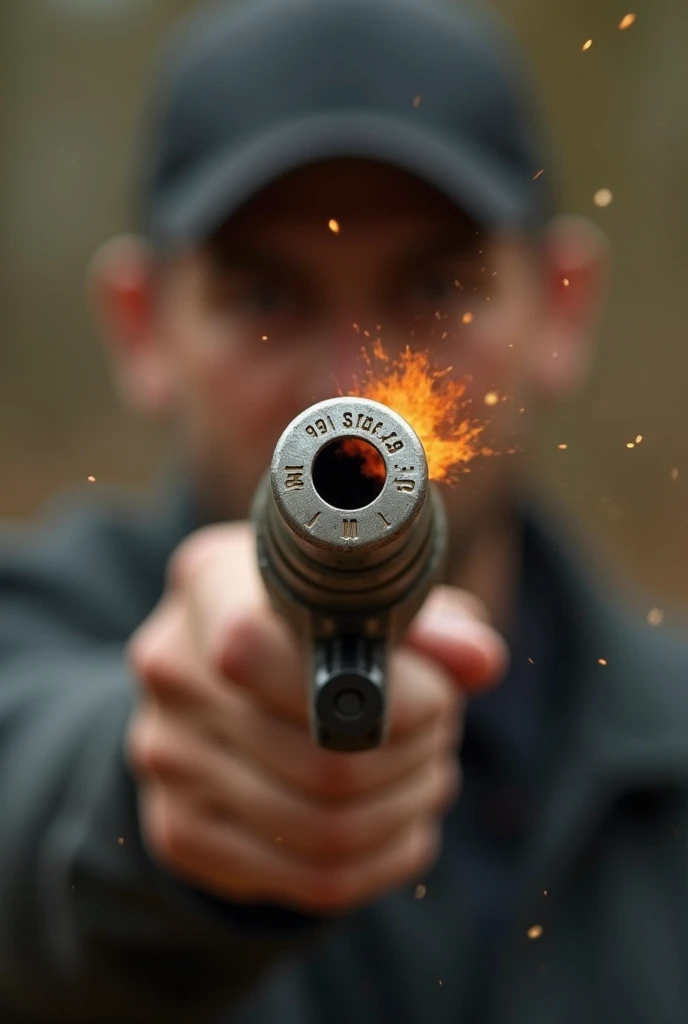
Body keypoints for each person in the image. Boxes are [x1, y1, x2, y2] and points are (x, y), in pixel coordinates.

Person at [2, 0, 688, 1021]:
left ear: (560, 306)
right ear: (142, 329)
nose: (352, 397)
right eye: (266, 299)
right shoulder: (31, 639)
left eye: (437, 288)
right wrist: (158, 813)